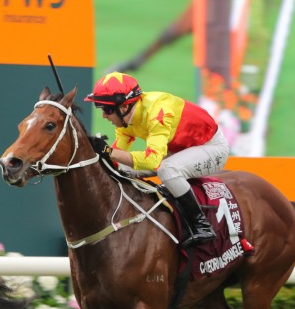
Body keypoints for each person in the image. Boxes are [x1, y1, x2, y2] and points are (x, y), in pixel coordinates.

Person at [84, 71, 229, 246]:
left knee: (167, 169)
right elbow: (116, 157)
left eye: (106, 110)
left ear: (123, 107)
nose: (104, 116)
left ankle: (201, 225)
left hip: (211, 147)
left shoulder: (157, 113)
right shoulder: (125, 119)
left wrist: (108, 151)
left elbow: (153, 161)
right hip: (179, 148)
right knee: (122, 169)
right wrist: (96, 155)